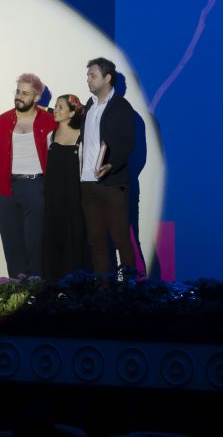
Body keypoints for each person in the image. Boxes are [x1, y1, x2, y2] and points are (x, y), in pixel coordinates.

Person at [0, 73, 57, 278]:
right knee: (11, 241)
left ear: (36, 98)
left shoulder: (48, 121)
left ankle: (35, 285)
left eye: (25, 93)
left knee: (35, 241)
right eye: (18, 91)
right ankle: (17, 289)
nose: (19, 96)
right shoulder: (2, 120)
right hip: (6, 187)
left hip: (36, 186)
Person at [80, 58, 137, 283]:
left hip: (113, 183)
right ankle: (103, 290)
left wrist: (111, 165)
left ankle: (130, 289)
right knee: (96, 240)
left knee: (121, 239)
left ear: (107, 78)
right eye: (87, 76)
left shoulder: (122, 107)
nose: (88, 80)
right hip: (87, 182)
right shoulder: (89, 105)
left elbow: (128, 143)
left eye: (92, 75)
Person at [41, 95, 87, 282]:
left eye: (61, 107)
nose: (56, 110)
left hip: (74, 196)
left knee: (73, 236)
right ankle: (53, 283)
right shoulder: (50, 136)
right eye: (56, 106)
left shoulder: (81, 137)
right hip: (53, 196)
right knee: (53, 236)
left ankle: (73, 282)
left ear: (72, 112)